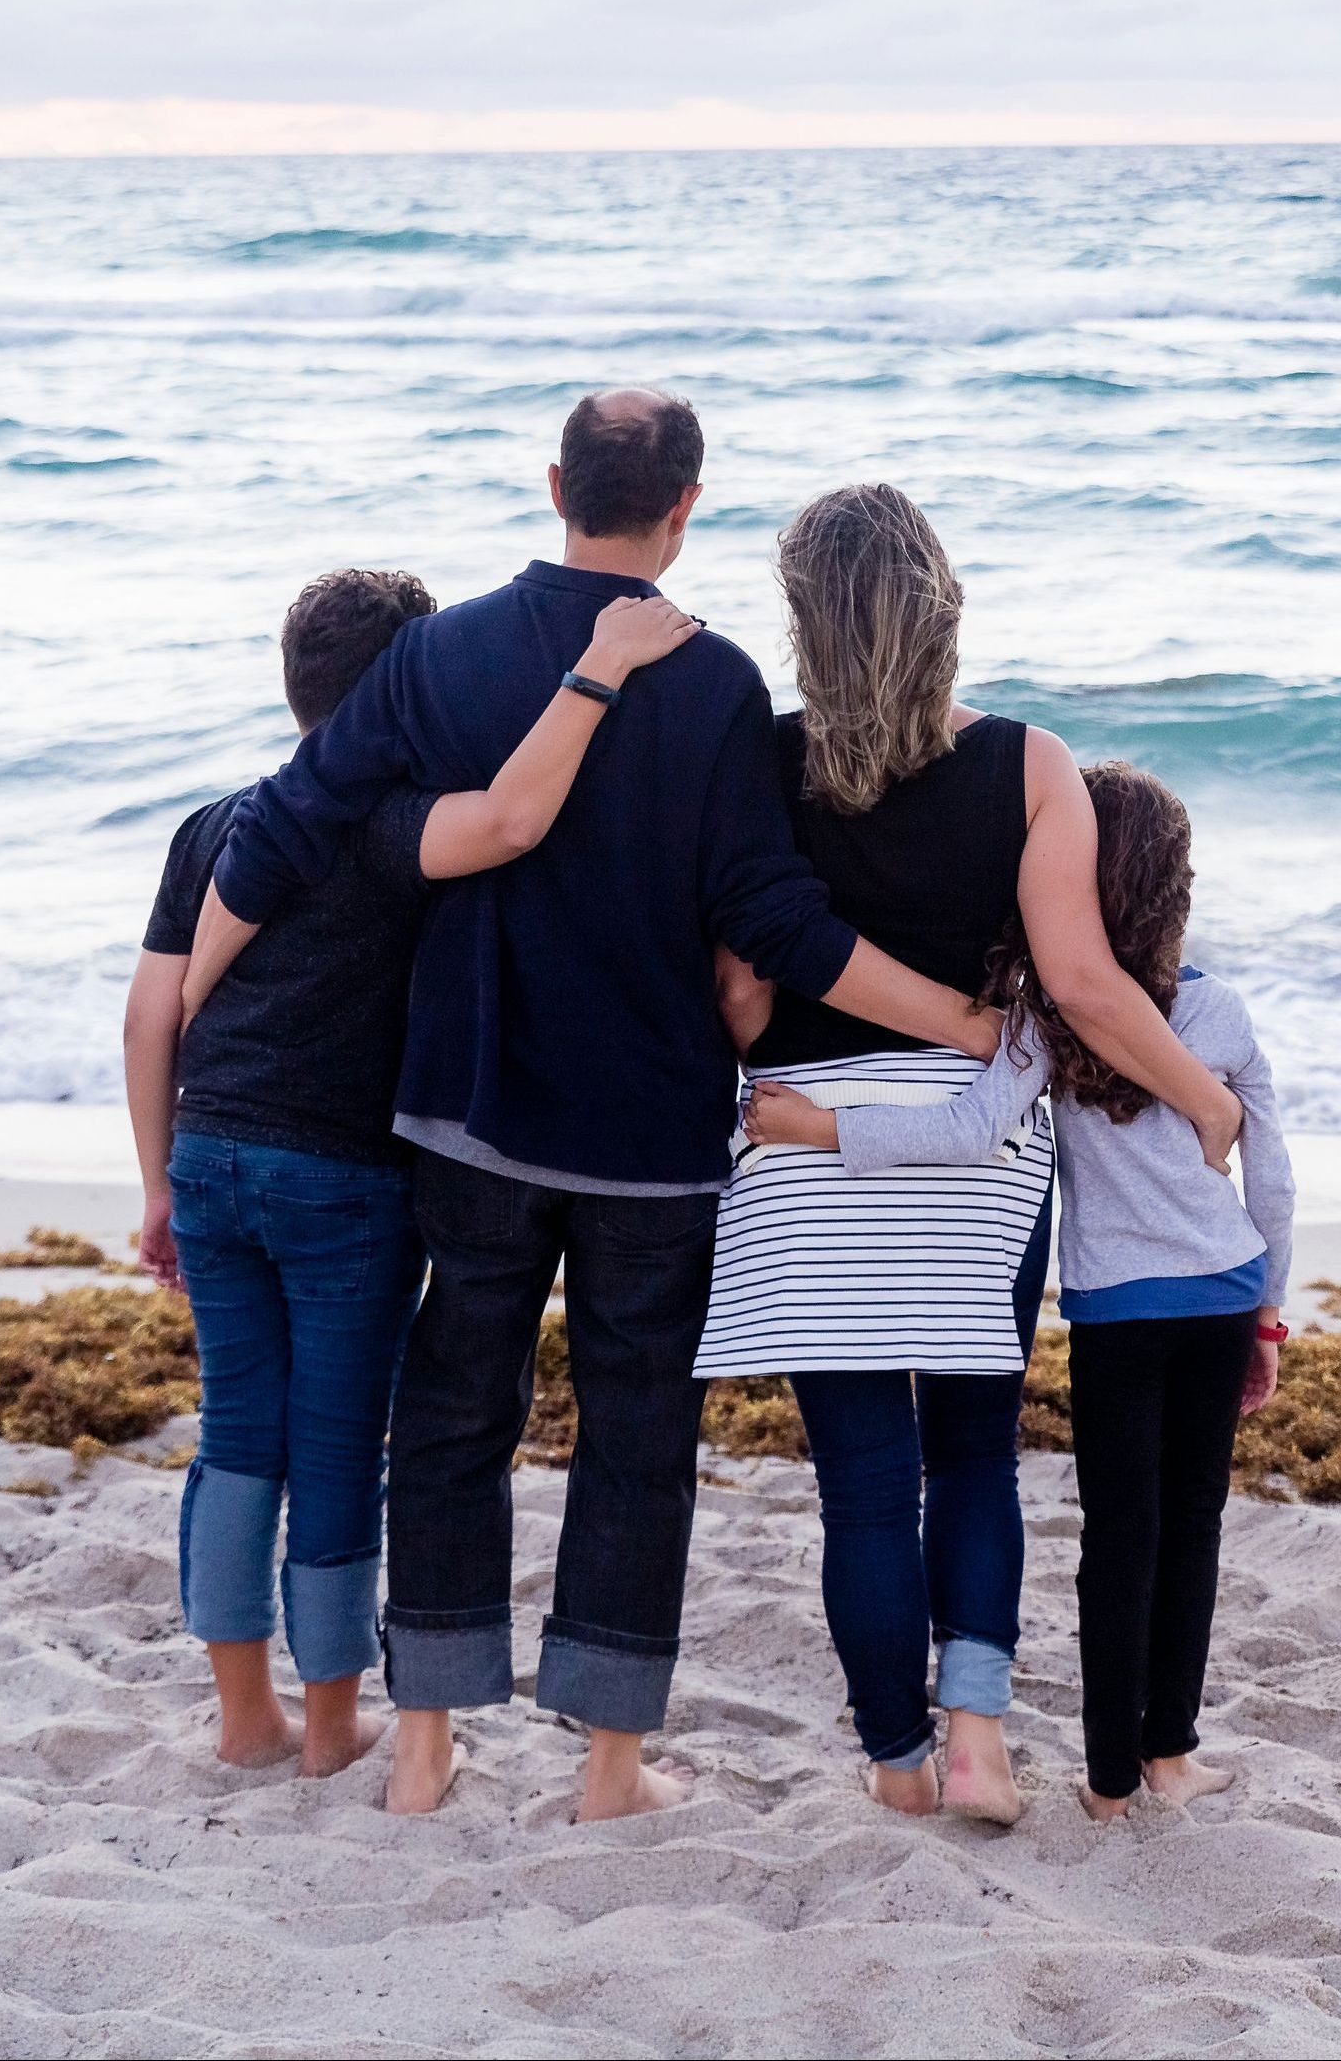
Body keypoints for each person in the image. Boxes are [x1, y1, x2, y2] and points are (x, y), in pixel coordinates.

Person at [182, 392, 998, 1824]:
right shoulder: (719, 683)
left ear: (556, 481)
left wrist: (192, 1001)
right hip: (647, 1135)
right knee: (634, 1440)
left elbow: (291, 821)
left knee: (451, 1419)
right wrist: (970, 1026)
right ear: (687, 503)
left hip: (471, 1113)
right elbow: (776, 920)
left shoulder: (442, 655)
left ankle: (425, 1746)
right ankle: (611, 1771)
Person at [693, 486, 1245, 1824]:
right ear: (943, 608)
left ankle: (897, 1763)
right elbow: (1084, 985)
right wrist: (1205, 1107)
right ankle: (982, 1737)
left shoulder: (761, 765)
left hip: (806, 1154)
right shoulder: (1028, 764)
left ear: (806, 626)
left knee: (867, 1487)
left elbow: (741, 1005)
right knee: (975, 1457)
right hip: (973, 1155)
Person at [126, 567, 699, 1777]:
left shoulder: (216, 823)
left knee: (238, 1435)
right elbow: (507, 820)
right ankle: (332, 1726)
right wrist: (598, 675)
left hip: (212, 1158)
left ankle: (243, 1718)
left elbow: (149, 1017)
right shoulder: (390, 826)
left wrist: (158, 1185)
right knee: (336, 1446)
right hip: (342, 1182)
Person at [750, 759, 1295, 1821]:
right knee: (1194, 1528)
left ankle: (1104, 1784)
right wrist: (1270, 1307)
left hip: (1116, 1315)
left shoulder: (1048, 1018)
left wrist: (819, 1126)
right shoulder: (1219, 1012)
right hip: (1224, 1297)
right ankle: (1171, 1753)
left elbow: (964, 1131)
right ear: (1177, 890)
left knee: (1118, 1537)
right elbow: (1269, 1174)